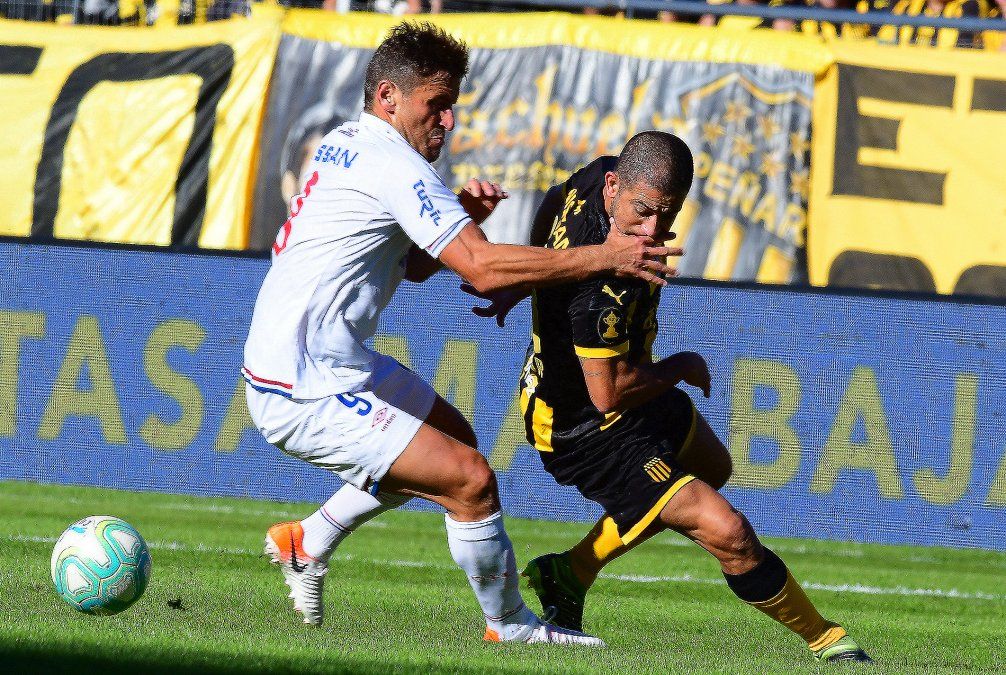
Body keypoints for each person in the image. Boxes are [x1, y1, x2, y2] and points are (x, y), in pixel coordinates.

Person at [242, 22, 677, 645]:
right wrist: (605, 256)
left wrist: (465, 218)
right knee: (469, 479)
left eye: (451, 107)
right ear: (389, 97)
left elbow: (416, 267)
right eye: (435, 106)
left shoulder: (350, 143)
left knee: (453, 439)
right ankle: (510, 625)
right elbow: (479, 266)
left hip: (320, 359)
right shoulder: (394, 164)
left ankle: (306, 541)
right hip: (301, 382)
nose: (446, 123)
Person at [466, 131, 873, 663]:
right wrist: (678, 367)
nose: (653, 230)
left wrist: (533, 275)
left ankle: (570, 572)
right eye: (643, 212)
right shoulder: (608, 288)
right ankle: (830, 643)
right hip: (584, 428)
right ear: (615, 186)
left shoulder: (596, 180)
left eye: (667, 213)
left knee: (712, 466)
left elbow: (552, 199)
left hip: (621, 393)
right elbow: (608, 392)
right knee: (728, 532)